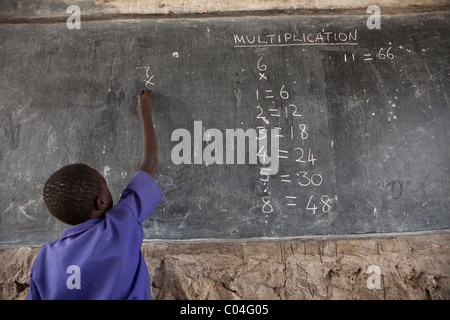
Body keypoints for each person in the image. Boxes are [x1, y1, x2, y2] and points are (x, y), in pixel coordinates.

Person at [26, 89, 162, 300]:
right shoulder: (120, 226)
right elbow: (149, 163)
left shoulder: (46, 257)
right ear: (101, 202)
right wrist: (145, 112)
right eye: (104, 182)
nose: (107, 185)